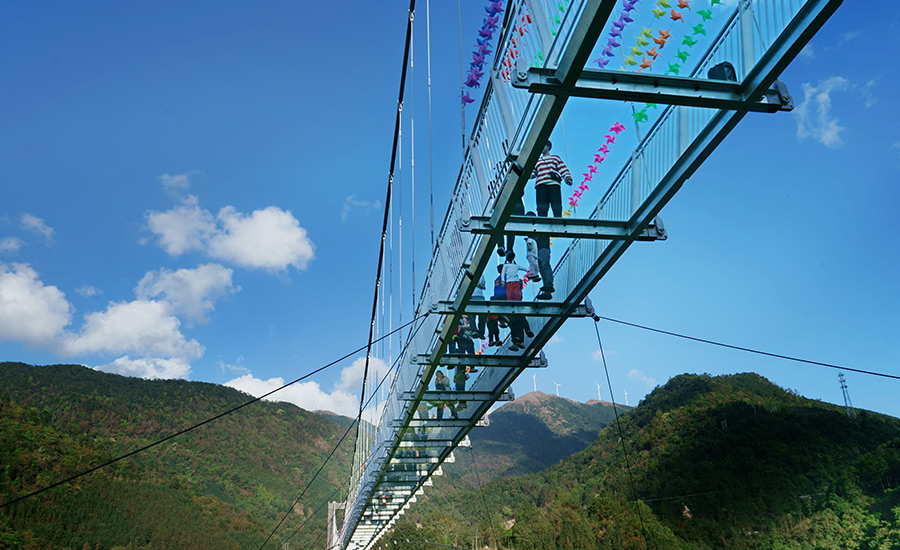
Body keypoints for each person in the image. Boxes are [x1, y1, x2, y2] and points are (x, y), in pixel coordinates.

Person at [530, 140, 572, 218]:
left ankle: (558, 220)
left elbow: (562, 168)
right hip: (541, 185)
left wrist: (567, 177)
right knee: (541, 207)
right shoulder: (537, 160)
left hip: (553, 184)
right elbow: (533, 173)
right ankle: (542, 221)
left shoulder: (555, 158)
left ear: (548, 146)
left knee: (556, 205)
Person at [523, 212, 541, 283]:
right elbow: (529, 244)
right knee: (534, 264)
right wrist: (529, 246)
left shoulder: (532, 240)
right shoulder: (531, 239)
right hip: (531, 254)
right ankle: (533, 273)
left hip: (533, 255)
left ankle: (534, 273)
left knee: (535, 264)